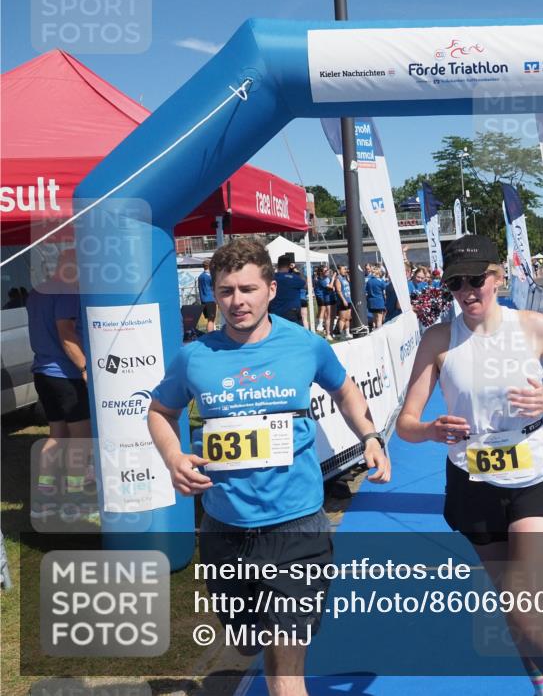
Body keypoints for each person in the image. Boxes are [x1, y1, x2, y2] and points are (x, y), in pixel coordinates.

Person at [147, 238, 390, 696]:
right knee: (245, 644)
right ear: (213, 294)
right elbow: (160, 411)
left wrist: (371, 437)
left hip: (297, 529)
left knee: (285, 670)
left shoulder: (306, 346)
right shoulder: (195, 356)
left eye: (247, 289)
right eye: (225, 292)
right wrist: (174, 457)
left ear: (270, 289)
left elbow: (346, 391)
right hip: (224, 529)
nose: (237, 302)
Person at [396, 234, 543, 696]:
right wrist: (430, 430)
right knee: (511, 608)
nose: (466, 291)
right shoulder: (439, 339)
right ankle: (541, 676)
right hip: (472, 479)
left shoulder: (533, 326)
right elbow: (405, 423)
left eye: (475, 280)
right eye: (455, 283)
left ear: (497, 278)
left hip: (534, 474)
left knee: (524, 608)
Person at [26, 249, 93, 522]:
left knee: (56, 435)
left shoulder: (37, 292)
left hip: (42, 371)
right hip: (65, 374)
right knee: (82, 439)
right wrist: (85, 367)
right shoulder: (67, 291)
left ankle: (43, 501)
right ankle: (74, 503)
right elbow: (66, 332)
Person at [268, 254, 306, 325]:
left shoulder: (272, 278)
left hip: (276, 314)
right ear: (289, 266)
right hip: (292, 313)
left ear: (278, 265)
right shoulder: (295, 278)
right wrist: (295, 271)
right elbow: (305, 283)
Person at [334, 264, 353, 339]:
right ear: (339, 270)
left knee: (348, 318)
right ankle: (341, 333)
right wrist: (343, 300)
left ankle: (347, 333)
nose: (345, 270)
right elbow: (338, 291)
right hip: (343, 300)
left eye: (345, 269)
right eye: (343, 269)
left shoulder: (345, 278)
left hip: (348, 299)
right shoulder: (338, 279)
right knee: (342, 318)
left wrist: (348, 276)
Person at [198, 259, 217, 332]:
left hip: (203, 299)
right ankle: (211, 335)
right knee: (211, 320)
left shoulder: (200, 276)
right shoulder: (209, 277)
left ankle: (211, 333)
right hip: (210, 299)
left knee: (209, 319)